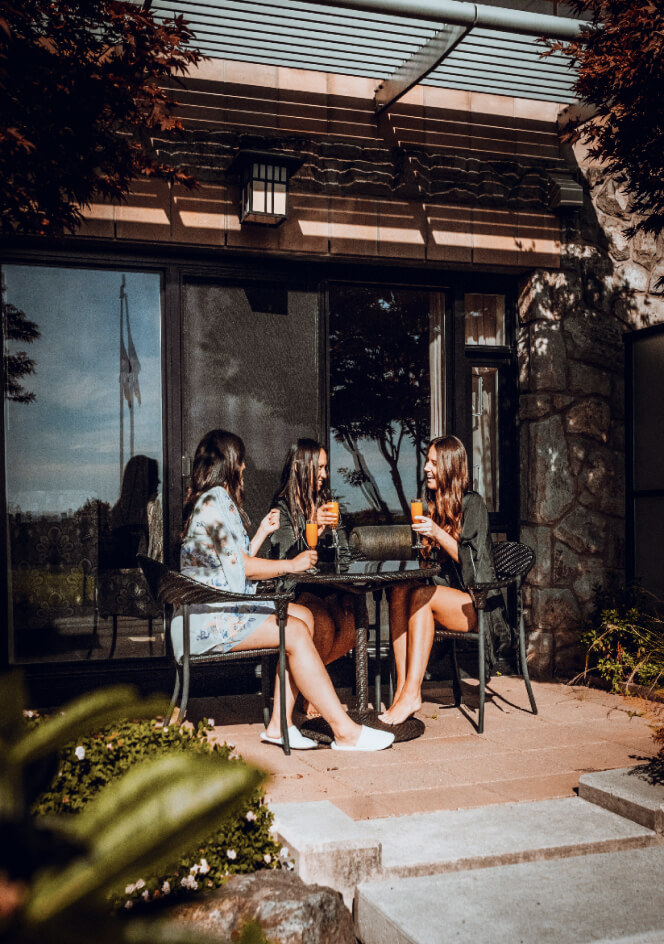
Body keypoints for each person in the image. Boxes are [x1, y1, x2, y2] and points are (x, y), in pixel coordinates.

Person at [171, 429, 394, 752]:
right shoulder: (214, 502)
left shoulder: (215, 500)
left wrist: (260, 532)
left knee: (302, 615)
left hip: (222, 607)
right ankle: (345, 731)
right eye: (242, 461)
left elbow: (234, 561)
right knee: (297, 632)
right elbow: (244, 568)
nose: (245, 468)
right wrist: (292, 565)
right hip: (209, 620)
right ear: (229, 463)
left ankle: (279, 724)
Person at [379, 435, 513, 726]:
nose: (426, 468)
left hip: (479, 604)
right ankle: (404, 690)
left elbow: (473, 564)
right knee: (400, 590)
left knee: (421, 598)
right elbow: (432, 567)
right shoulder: (435, 504)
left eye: (434, 463)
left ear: (450, 467)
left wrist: (438, 534)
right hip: (450, 598)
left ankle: (413, 693)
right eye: (427, 461)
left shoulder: (472, 504)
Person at [269, 439, 355, 672]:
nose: (324, 474)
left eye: (325, 468)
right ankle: (312, 691)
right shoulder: (282, 509)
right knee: (323, 625)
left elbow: (344, 553)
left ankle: (308, 683)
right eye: (319, 468)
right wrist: (313, 526)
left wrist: (348, 588)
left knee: (352, 627)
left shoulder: (327, 504)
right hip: (297, 591)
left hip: (331, 589)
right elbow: (286, 562)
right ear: (299, 467)